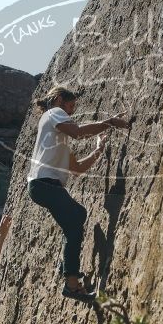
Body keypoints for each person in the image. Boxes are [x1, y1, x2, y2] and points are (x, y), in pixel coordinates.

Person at [27, 86, 130, 302]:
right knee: (74, 224)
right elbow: (78, 132)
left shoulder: (58, 140)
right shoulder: (53, 112)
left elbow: (77, 169)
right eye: (71, 106)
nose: (71, 113)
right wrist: (109, 122)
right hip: (45, 184)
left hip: (42, 186)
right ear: (58, 99)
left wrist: (98, 150)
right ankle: (71, 285)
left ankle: (66, 266)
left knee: (78, 215)